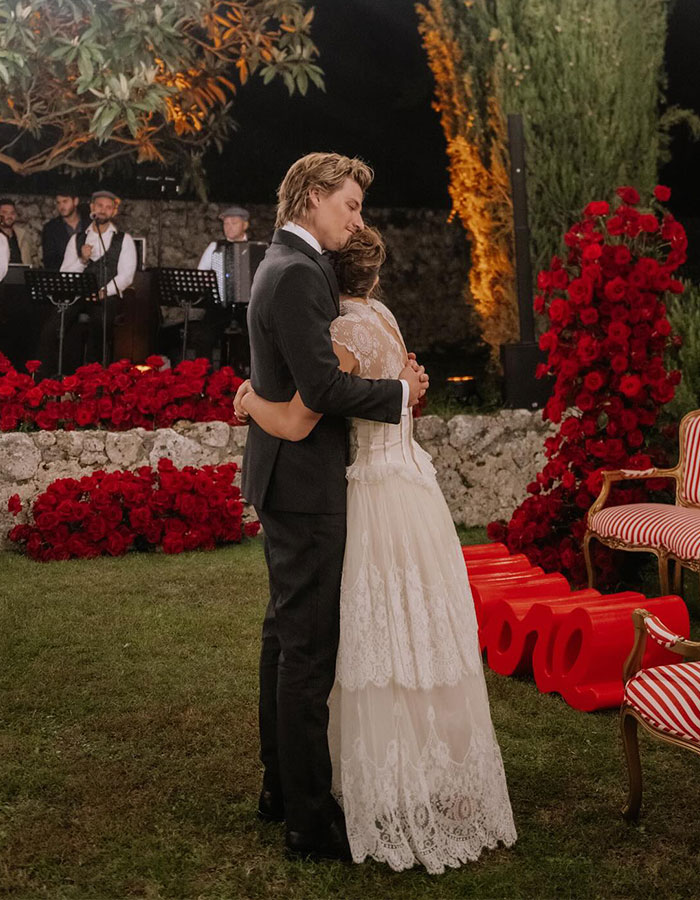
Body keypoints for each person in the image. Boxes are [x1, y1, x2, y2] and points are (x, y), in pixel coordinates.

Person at [236, 226, 517, 873]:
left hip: (367, 494)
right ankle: (427, 772)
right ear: (378, 277)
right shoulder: (385, 318)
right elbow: (406, 382)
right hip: (414, 491)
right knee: (417, 634)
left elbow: (302, 416)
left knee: (356, 639)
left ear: (331, 278)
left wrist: (251, 399)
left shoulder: (342, 333)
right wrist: (405, 388)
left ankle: (342, 787)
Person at [234, 153, 428, 863]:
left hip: (289, 480)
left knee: (285, 643)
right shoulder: (295, 273)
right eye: (348, 204)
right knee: (307, 655)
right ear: (313, 198)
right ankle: (310, 826)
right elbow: (319, 389)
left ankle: (281, 790)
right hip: (307, 487)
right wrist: (401, 395)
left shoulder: (286, 263)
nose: (357, 217)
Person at [37, 190, 137, 374]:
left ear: (113, 212)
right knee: (52, 326)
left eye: (108, 207)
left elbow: (126, 275)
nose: (103, 210)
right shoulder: (77, 238)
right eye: (99, 206)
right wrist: (82, 260)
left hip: (106, 296)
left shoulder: (124, 240)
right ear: (91, 208)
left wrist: (104, 291)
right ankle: (45, 376)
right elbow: (65, 274)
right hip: (78, 294)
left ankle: (93, 379)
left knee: (100, 323)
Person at [41, 190, 90, 271]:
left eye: (65, 201)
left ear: (75, 201)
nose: (61, 206)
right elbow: (49, 260)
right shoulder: (51, 228)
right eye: (58, 203)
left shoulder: (89, 223)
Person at [0, 198, 34, 266]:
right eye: (5, 212)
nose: (9, 216)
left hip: (20, 275)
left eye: (12, 213)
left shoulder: (24, 236)